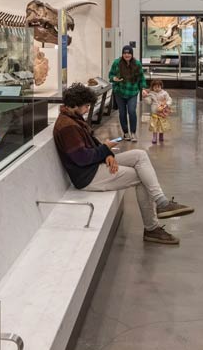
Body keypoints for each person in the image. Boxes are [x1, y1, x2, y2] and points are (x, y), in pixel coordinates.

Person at [53, 83, 194, 245]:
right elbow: (82, 158)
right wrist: (105, 149)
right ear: (74, 105)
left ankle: (161, 202)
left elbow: (92, 146)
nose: (87, 109)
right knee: (141, 178)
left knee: (140, 155)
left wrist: (108, 154)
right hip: (87, 176)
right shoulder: (68, 127)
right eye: (85, 106)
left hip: (93, 166)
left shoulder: (73, 119)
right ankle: (152, 228)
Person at [109, 45, 148, 142]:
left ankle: (133, 133)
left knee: (131, 111)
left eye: (129, 53)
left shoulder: (137, 64)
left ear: (132, 54)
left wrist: (143, 88)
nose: (127, 55)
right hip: (119, 92)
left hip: (133, 91)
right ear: (122, 54)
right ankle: (126, 133)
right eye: (125, 53)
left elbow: (141, 78)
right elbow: (110, 75)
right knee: (122, 113)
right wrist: (114, 79)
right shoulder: (116, 63)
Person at [143, 80, 173, 145]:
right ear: (152, 87)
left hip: (162, 112)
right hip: (155, 112)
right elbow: (149, 102)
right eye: (155, 87)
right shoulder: (151, 94)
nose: (157, 88)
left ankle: (161, 135)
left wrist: (167, 104)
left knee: (162, 125)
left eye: (158, 87)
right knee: (154, 125)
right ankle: (154, 137)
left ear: (161, 86)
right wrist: (145, 97)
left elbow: (169, 99)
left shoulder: (164, 93)